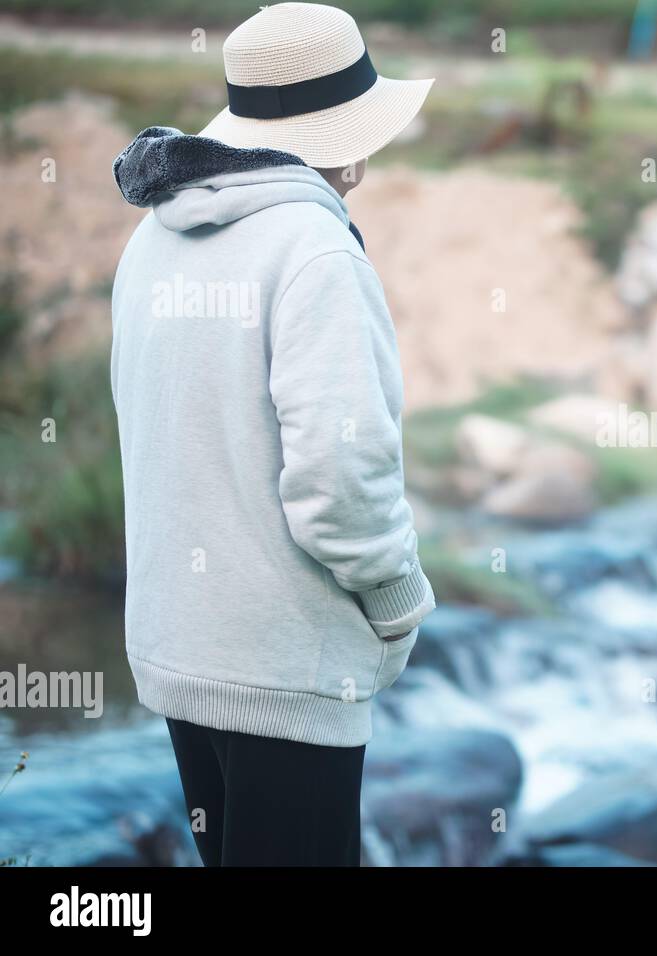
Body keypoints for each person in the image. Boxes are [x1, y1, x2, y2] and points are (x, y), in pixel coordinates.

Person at [109, 2, 436, 866]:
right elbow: (341, 476)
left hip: (182, 650)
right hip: (288, 664)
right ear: (349, 140)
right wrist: (398, 604)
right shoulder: (317, 253)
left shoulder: (152, 239)